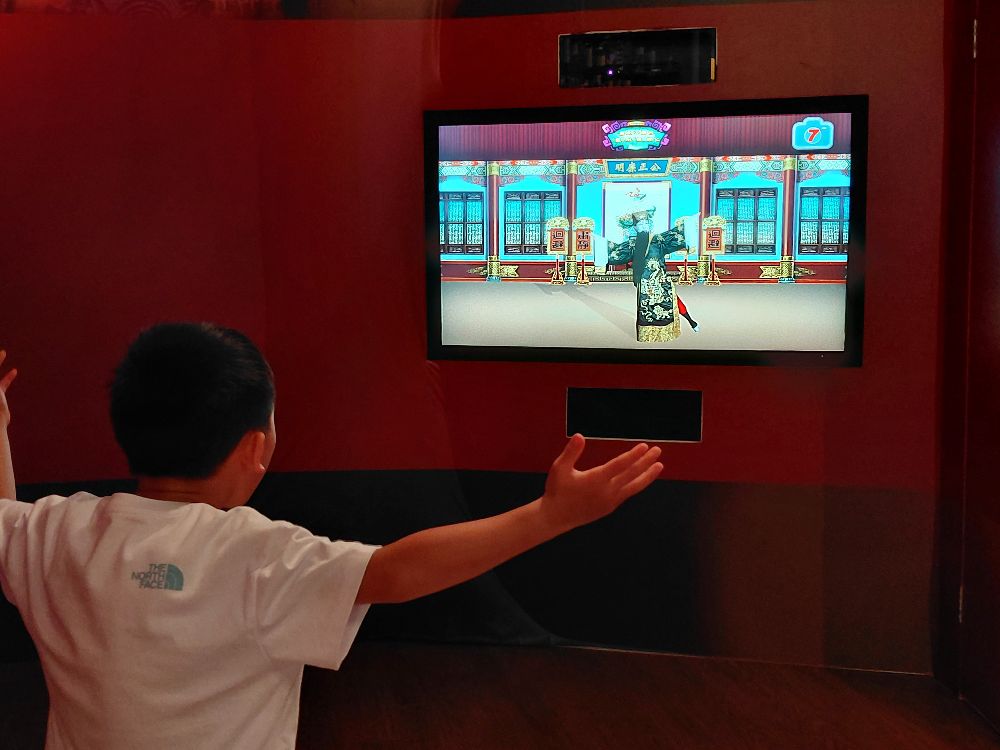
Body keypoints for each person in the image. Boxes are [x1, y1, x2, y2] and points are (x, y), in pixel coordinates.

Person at [0, 323, 663, 750]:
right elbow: (395, 571)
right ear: (256, 447)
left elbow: (4, 516)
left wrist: (0, 427)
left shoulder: (53, 531)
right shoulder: (259, 555)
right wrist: (549, 516)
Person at [607, 209, 699, 341]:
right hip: (644, 283)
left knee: (673, 301)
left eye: (646, 223)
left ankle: (691, 321)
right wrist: (597, 241)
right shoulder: (632, 244)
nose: (644, 227)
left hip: (660, 279)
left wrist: (690, 222)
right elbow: (615, 252)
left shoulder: (659, 240)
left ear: (649, 225)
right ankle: (648, 335)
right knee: (646, 309)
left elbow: (675, 235)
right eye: (640, 225)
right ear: (635, 228)